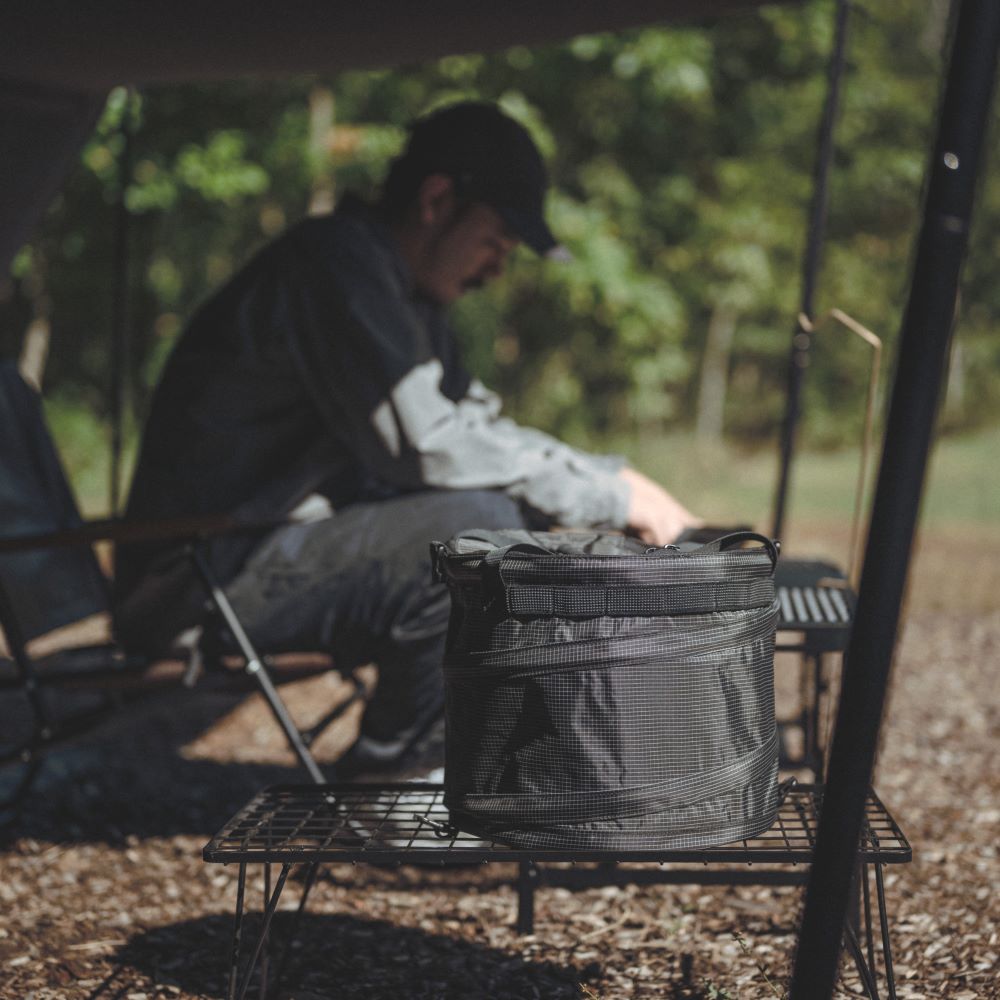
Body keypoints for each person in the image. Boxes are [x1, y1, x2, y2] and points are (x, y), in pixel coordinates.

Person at [115, 101, 699, 772]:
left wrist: (615, 478)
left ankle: (436, 766)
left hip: (260, 550)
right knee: (477, 530)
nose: (495, 270)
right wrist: (605, 498)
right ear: (436, 200)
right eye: (494, 243)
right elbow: (429, 447)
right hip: (200, 579)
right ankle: (394, 786)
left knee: (491, 514)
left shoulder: (406, 295)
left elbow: (476, 427)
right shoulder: (334, 269)